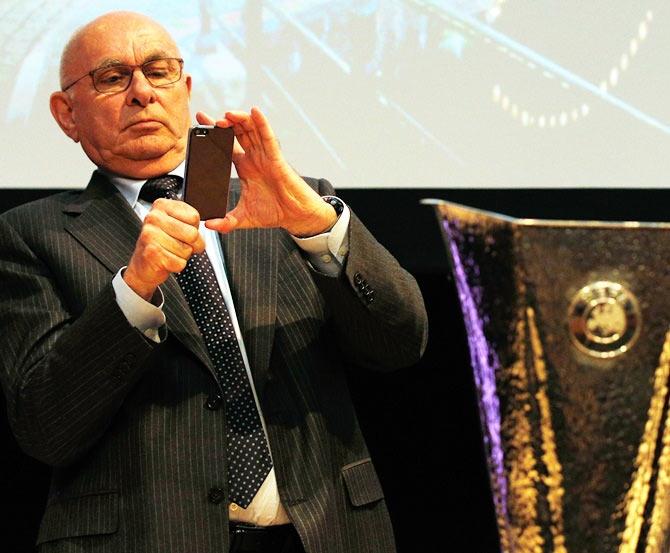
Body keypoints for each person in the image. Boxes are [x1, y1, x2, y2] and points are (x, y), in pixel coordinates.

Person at [0, 11, 427, 553]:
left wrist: (318, 227)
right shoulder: (30, 236)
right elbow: (45, 427)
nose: (142, 93)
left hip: (325, 534)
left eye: (159, 72)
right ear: (67, 114)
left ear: (186, 89)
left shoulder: (287, 205)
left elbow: (401, 342)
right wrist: (132, 291)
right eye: (113, 78)